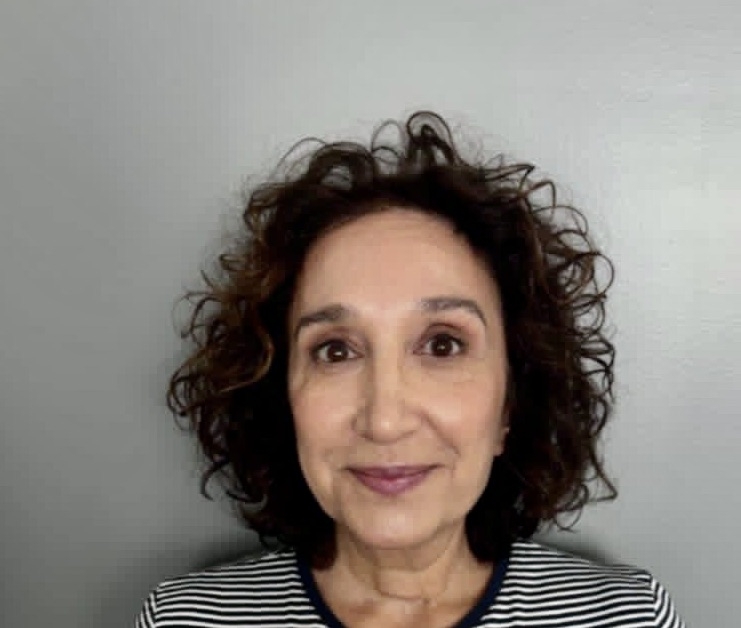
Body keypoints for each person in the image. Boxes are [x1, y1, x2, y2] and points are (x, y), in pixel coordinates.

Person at [136, 112, 686, 627]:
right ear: (281, 395)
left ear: (510, 405)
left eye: (443, 345)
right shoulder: (181, 620)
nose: (385, 421)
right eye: (335, 351)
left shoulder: (630, 618)